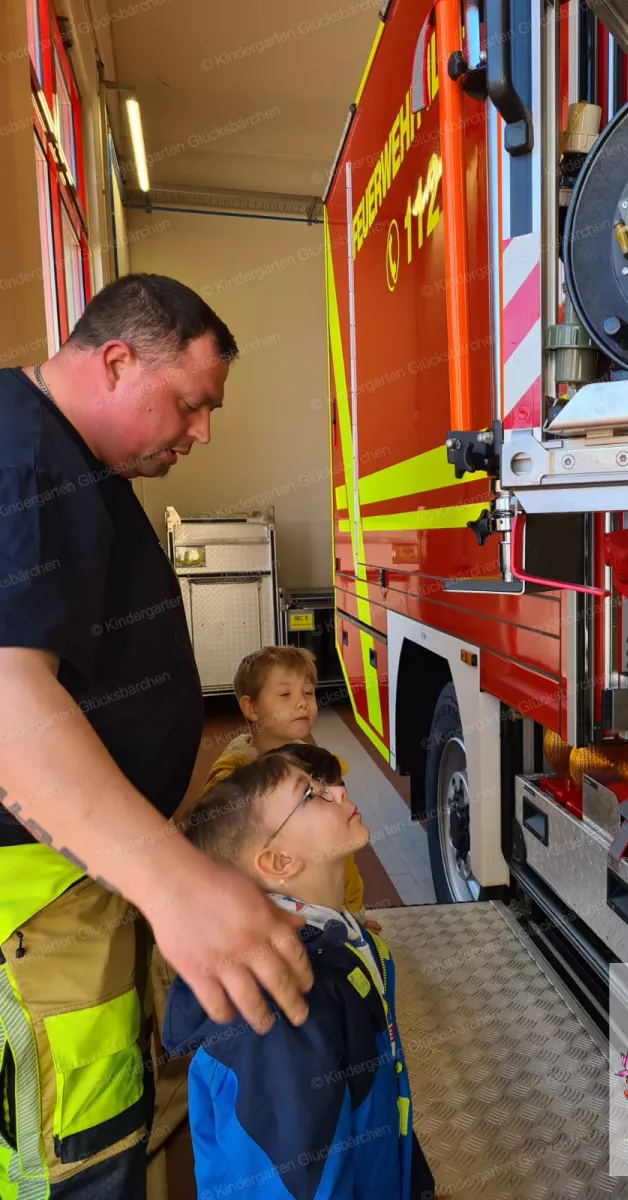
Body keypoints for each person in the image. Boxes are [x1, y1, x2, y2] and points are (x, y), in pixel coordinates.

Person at [0, 274, 313, 1199]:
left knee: (124, 1119)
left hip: (82, 876)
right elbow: (10, 703)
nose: (201, 431)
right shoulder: (25, 465)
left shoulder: (72, 458)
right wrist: (176, 886)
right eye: (189, 403)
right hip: (39, 899)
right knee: (78, 1156)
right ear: (115, 361)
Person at [165, 745, 435, 1199]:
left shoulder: (341, 940)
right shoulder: (279, 1008)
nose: (339, 791)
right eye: (311, 794)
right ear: (278, 862)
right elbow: (301, 1182)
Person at [204, 645, 374, 926]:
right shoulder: (230, 786)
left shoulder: (321, 769)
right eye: (285, 694)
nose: (302, 703)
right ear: (251, 708)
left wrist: (352, 916)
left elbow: (342, 860)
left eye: (308, 693)